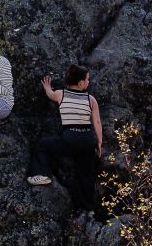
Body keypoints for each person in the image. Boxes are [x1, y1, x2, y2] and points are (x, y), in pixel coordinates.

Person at [27, 64, 103, 214]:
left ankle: (42, 174)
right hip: (87, 139)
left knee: (42, 145)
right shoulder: (91, 99)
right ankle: (88, 209)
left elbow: (50, 94)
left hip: (70, 138)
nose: (88, 82)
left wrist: (47, 86)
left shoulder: (61, 94)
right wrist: (99, 142)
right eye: (87, 79)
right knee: (85, 174)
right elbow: (97, 122)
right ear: (81, 83)